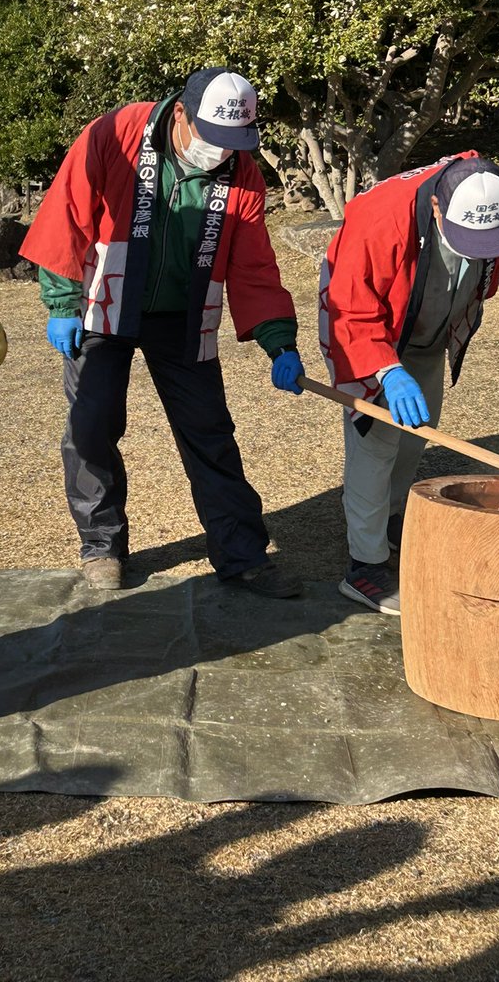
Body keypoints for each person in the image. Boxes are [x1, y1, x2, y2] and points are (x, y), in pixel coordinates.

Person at [20, 67, 305, 595]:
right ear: (181, 114)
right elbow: (67, 210)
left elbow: (253, 266)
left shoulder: (243, 173)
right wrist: (61, 300)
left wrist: (278, 341)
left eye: (233, 143)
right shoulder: (115, 133)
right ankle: (102, 544)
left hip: (185, 310)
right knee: (92, 424)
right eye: (213, 138)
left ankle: (242, 553)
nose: (221, 153)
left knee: (210, 433)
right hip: (106, 302)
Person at [319, 152, 499, 616]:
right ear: (436, 209)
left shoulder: (491, 195)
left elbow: (481, 274)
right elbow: (350, 306)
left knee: (416, 434)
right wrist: (387, 370)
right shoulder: (378, 219)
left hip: (428, 328)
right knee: (376, 442)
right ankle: (364, 565)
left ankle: (392, 521)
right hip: (370, 326)